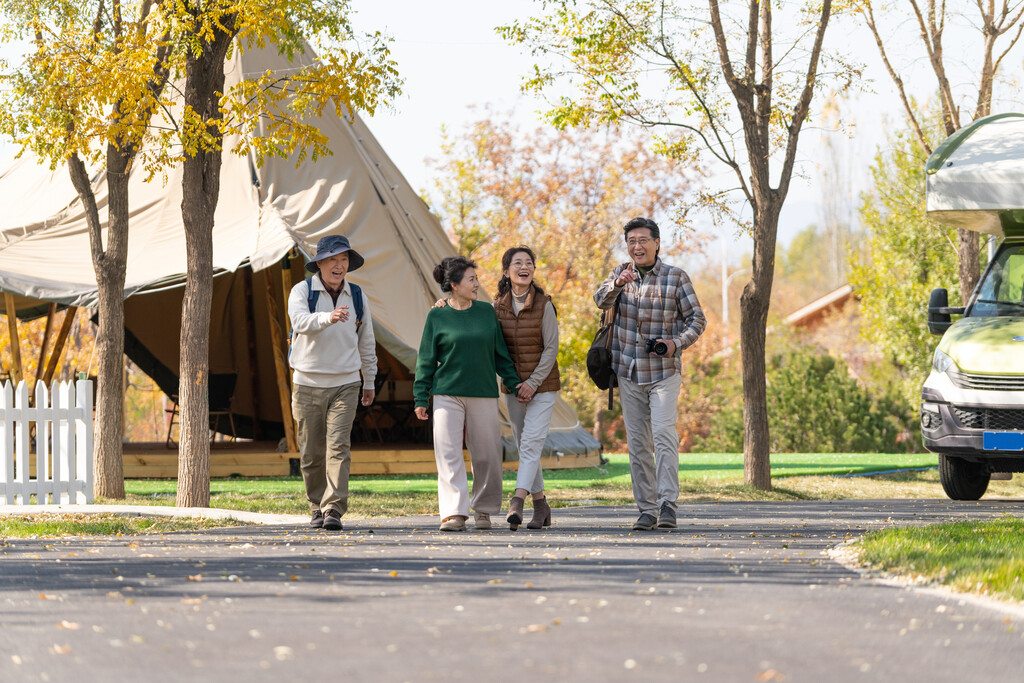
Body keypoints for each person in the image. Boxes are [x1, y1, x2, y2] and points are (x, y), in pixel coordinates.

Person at [593, 217, 706, 531]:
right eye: (631, 241)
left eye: (643, 240)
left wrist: (675, 343)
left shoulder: (675, 277)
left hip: (664, 372)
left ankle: (667, 504)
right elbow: (599, 301)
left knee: (663, 435)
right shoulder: (620, 273)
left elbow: (697, 320)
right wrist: (616, 284)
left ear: (657, 243)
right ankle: (646, 509)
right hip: (628, 372)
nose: (637, 246)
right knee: (638, 445)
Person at [414, 256, 521, 532]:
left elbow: (501, 354)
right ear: (454, 284)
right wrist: (420, 396)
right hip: (446, 393)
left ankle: (484, 511)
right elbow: (426, 359)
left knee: (486, 455)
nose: (477, 284)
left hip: (483, 393)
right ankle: (453, 513)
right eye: (472, 279)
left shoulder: (486, 312)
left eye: (476, 279)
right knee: (448, 453)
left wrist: (516, 382)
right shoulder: (436, 315)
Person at [288, 235, 377, 532]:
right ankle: (316, 505)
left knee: (338, 447)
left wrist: (369, 381)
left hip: (347, 382)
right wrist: (328, 317)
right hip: (307, 382)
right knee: (312, 451)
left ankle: (333, 509)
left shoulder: (358, 295)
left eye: (344, 259)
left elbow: (366, 341)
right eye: (332, 260)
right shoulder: (302, 291)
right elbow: (300, 322)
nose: (339, 265)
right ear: (320, 264)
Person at [492, 246, 560, 531]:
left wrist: (532, 383)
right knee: (525, 447)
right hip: (512, 388)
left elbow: (551, 348)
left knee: (531, 445)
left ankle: (517, 501)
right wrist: (444, 304)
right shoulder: (496, 307)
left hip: (543, 387)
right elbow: (490, 342)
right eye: (517, 263)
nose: (524, 267)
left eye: (529, 263)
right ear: (507, 271)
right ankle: (542, 505)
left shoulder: (545, 304)